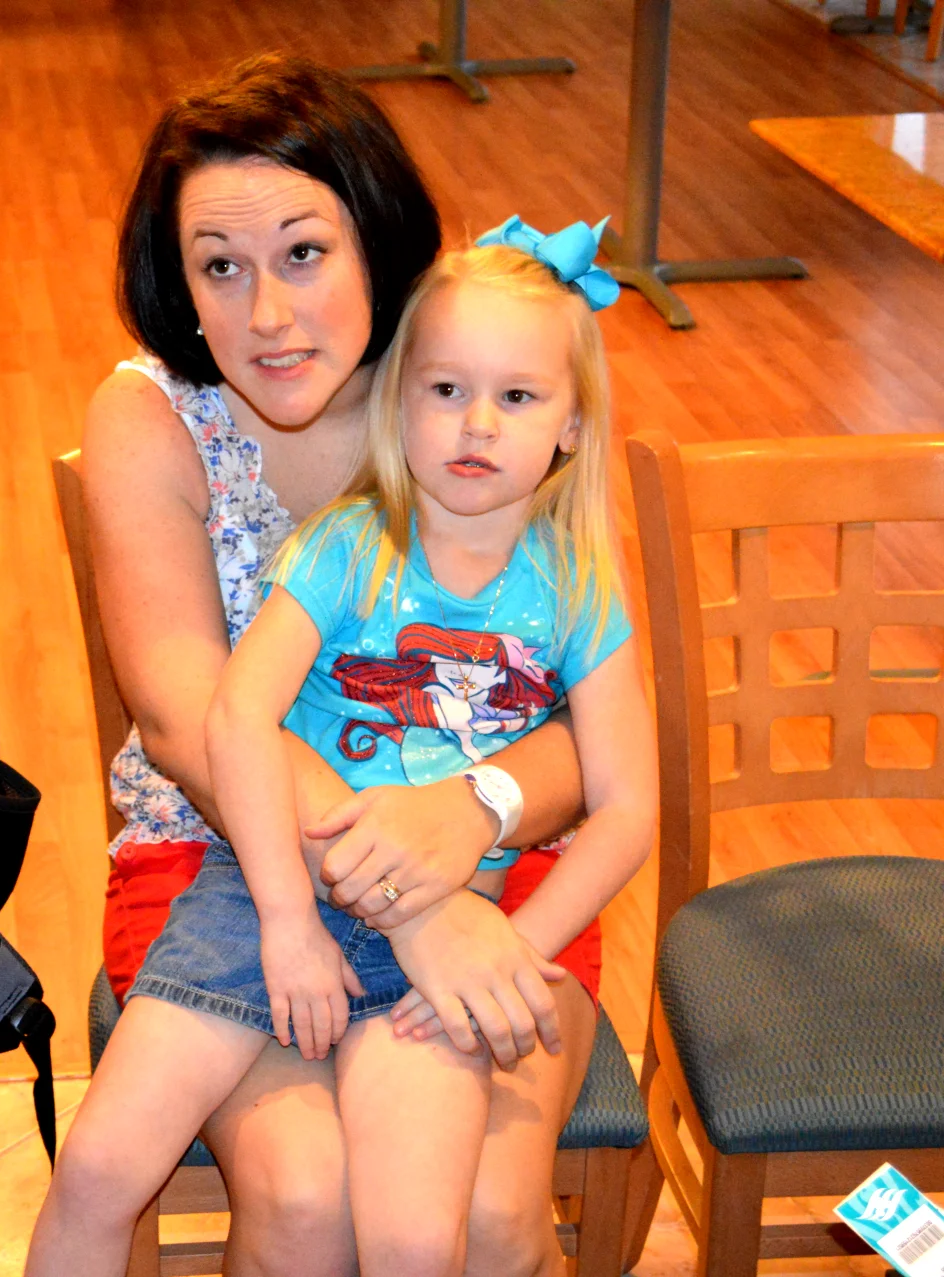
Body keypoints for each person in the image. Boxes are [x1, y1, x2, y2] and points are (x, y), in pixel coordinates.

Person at [30, 55, 602, 1277]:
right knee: (303, 1200)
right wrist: (411, 899)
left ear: (376, 241)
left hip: (490, 859)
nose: (268, 317)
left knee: (490, 1221)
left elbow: (590, 729)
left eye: (303, 253)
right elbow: (187, 715)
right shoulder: (151, 415)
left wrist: (477, 809)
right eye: (220, 267)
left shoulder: (469, 381)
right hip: (222, 858)